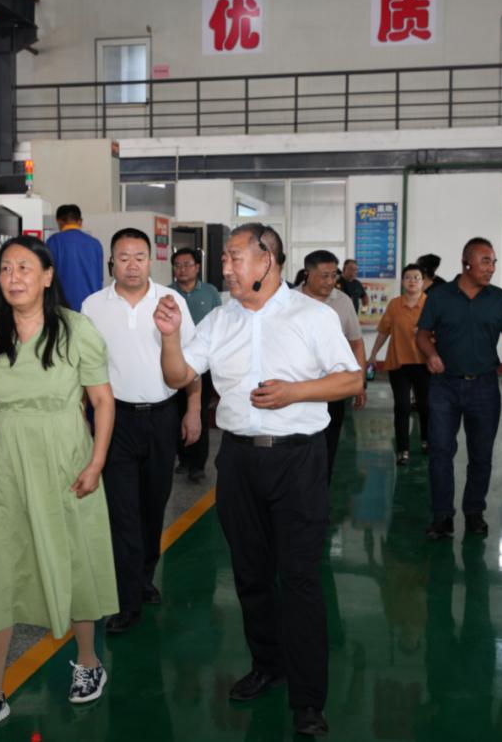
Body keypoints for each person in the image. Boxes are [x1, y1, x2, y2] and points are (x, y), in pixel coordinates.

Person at [154, 223, 362, 737]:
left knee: (299, 578)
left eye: (234, 257)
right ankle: (268, 665)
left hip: (298, 460)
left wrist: (295, 392)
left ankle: (308, 699)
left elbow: (351, 378)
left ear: (267, 259)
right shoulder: (220, 319)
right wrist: (171, 337)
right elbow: (179, 377)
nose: (225, 267)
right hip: (239, 461)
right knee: (249, 574)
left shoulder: (312, 315)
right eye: (225, 259)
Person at [0, 236, 118, 738]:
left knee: (74, 556)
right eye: (6, 269)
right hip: (7, 463)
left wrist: (96, 462)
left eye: (25, 268)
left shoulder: (76, 329)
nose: (14, 277)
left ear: (48, 276)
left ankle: (88, 661)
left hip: (66, 458)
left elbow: (102, 400)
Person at [81, 228, 200, 635]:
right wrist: (82, 416)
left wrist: (193, 411)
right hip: (114, 420)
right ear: (111, 263)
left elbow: (192, 363)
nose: (132, 265)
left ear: (151, 261)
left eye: (139, 257)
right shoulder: (93, 306)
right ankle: (127, 599)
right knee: (122, 513)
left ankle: (144, 576)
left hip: (163, 417)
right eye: (123, 257)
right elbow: (83, 367)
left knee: (154, 505)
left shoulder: (171, 302)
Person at [415, 238, 502, 540]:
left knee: (481, 453)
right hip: (444, 386)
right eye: (485, 261)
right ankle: (442, 516)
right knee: (440, 451)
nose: (491, 268)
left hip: (485, 386)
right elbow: (422, 334)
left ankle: (474, 512)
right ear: (466, 263)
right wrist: (431, 354)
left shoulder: (499, 299)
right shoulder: (439, 296)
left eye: (493, 262)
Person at [298, 250, 367, 481]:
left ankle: (321, 487)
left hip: (333, 386)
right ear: (308, 274)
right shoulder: (288, 300)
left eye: (333, 275)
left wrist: (360, 382)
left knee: (328, 443)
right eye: (324, 276)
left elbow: (356, 343)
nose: (330, 281)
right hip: (297, 386)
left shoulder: (343, 302)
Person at [169, 246, 223, 483]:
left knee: (197, 411)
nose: (182, 269)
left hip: (203, 365)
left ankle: (198, 465)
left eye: (187, 265)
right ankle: (183, 459)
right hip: (174, 362)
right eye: (178, 265)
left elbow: (220, 325)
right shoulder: (167, 293)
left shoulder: (210, 292)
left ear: (197, 267)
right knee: (176, 412)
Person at [369, 264, 431, 465]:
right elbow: (384, 331)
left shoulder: (431, 304)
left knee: (425, 405)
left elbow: (443, 331)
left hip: (424, 363)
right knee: (402, 406)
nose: (412, 281)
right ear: (403, 281)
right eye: (408, 277)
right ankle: (403, 449)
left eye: (416, 277)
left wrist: (428, 334)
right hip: (399, 362)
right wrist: (373, 354)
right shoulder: (395, 305)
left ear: (423, 282)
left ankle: (426, 440)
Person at [46, 203, 104, 311]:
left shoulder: (53, 242)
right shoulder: (95, 243)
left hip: (63, 307)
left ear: (59, 221)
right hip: (91, 306)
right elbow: (99, 277)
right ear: (80, 221)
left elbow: (47, 275)